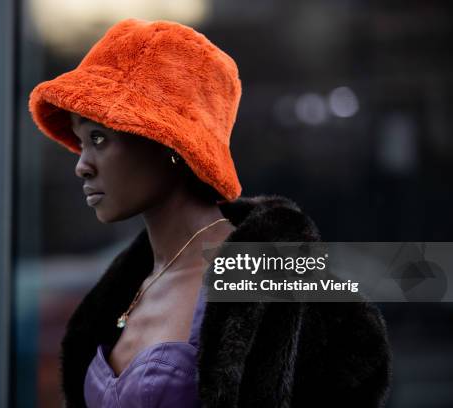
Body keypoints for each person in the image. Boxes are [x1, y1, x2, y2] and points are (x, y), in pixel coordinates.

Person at [29, 18, 391, 408]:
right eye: (81, 142)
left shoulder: (270, 280)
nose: (81, 164)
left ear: (168, 142)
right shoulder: (126, 287)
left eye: (99, 138)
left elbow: (357, 369)